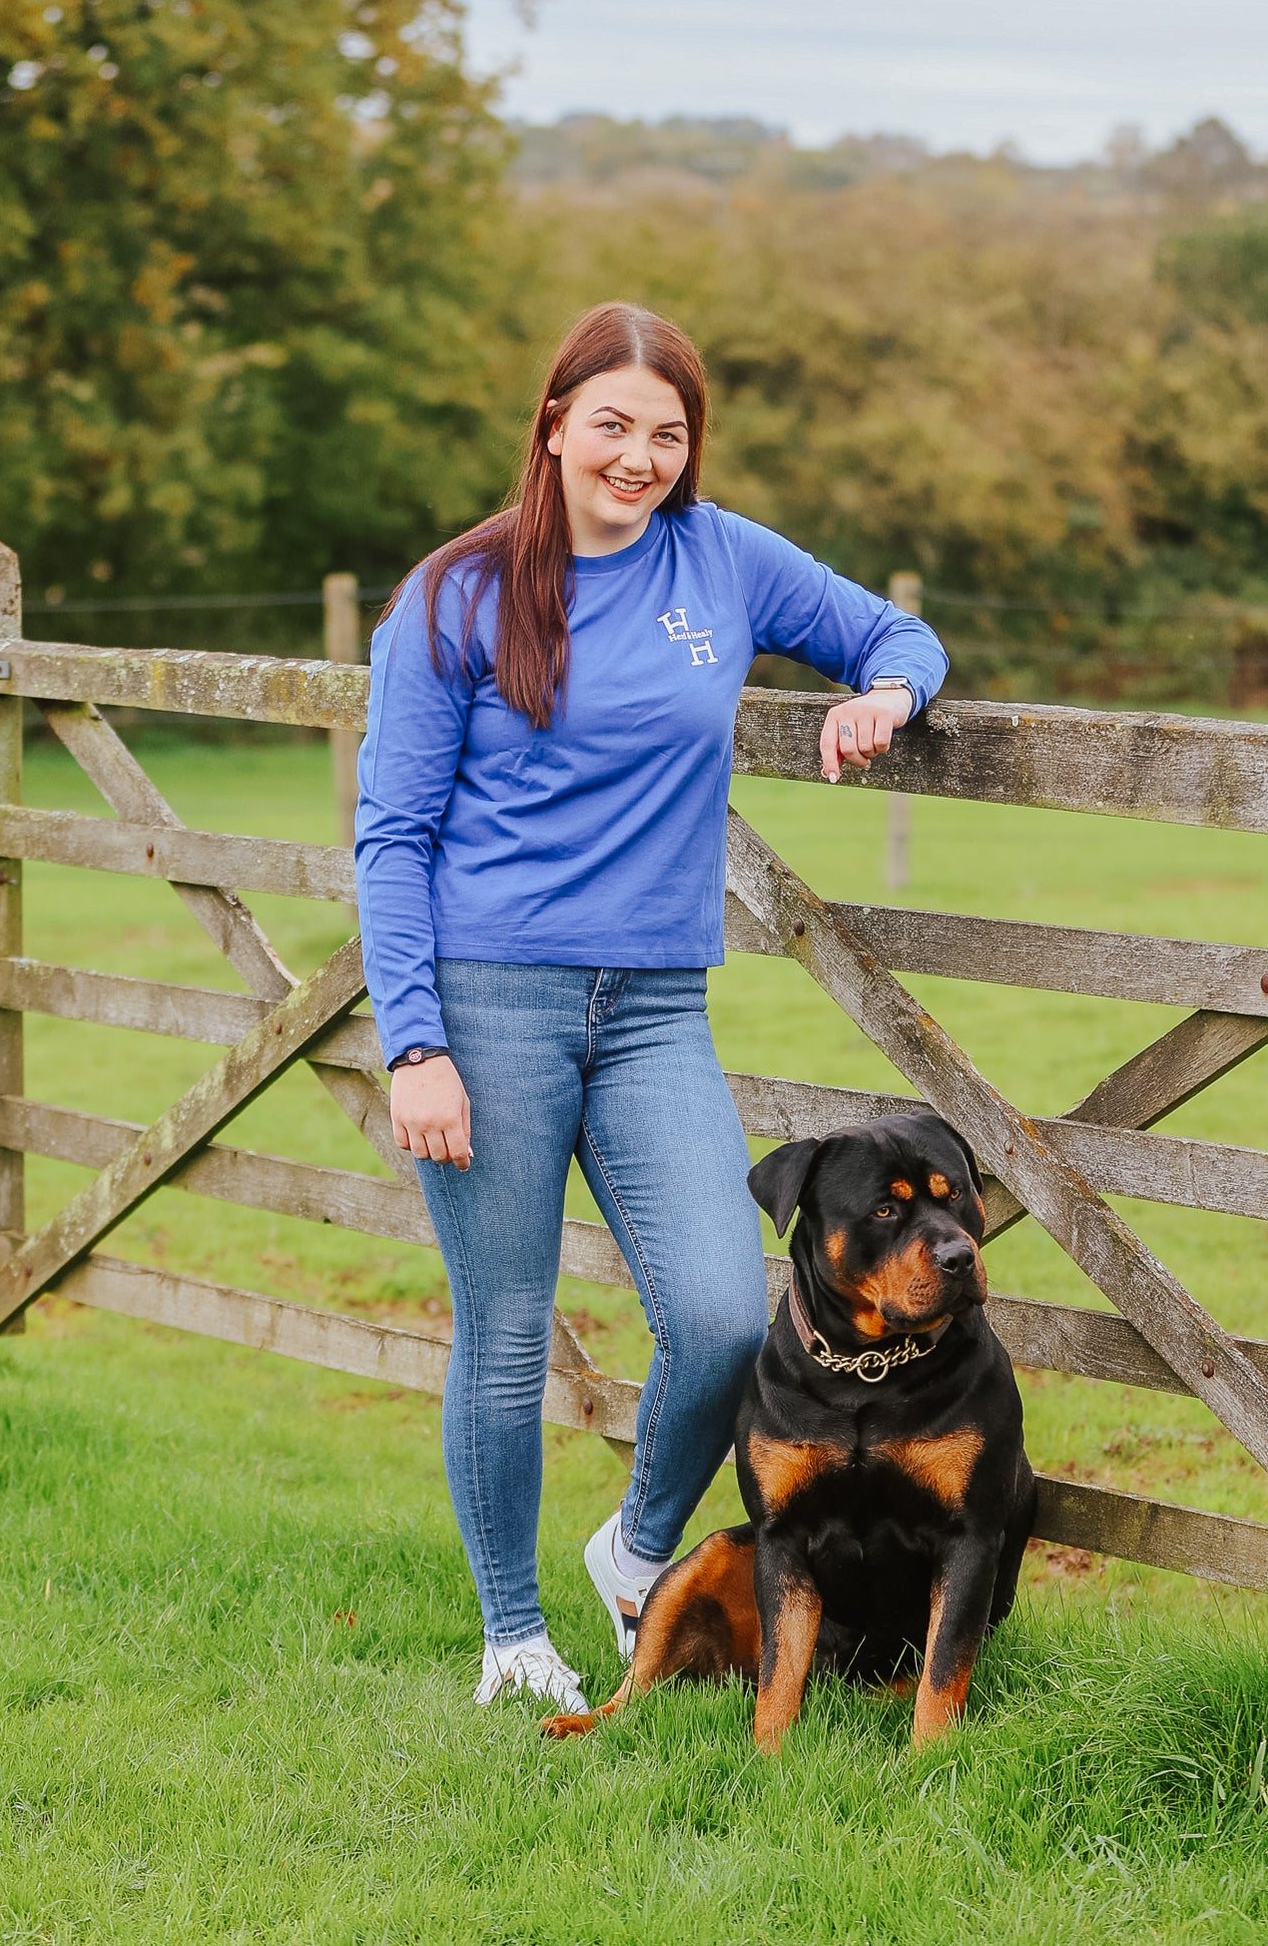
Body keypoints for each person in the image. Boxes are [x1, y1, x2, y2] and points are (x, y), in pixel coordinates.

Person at [355, 302, 948, 1714]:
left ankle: (630, 1551)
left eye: (666, 433)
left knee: (724, 1307)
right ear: (553, 423)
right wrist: (415, 1043)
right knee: (503, 1329)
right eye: (609, 423)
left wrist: (883, 691)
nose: (637, 456)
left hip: (653, 1005)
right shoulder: (457, 592)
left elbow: (893, 628)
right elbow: (389, 836)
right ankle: (511, 1635)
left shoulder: (723, 558)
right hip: (487, 1000)